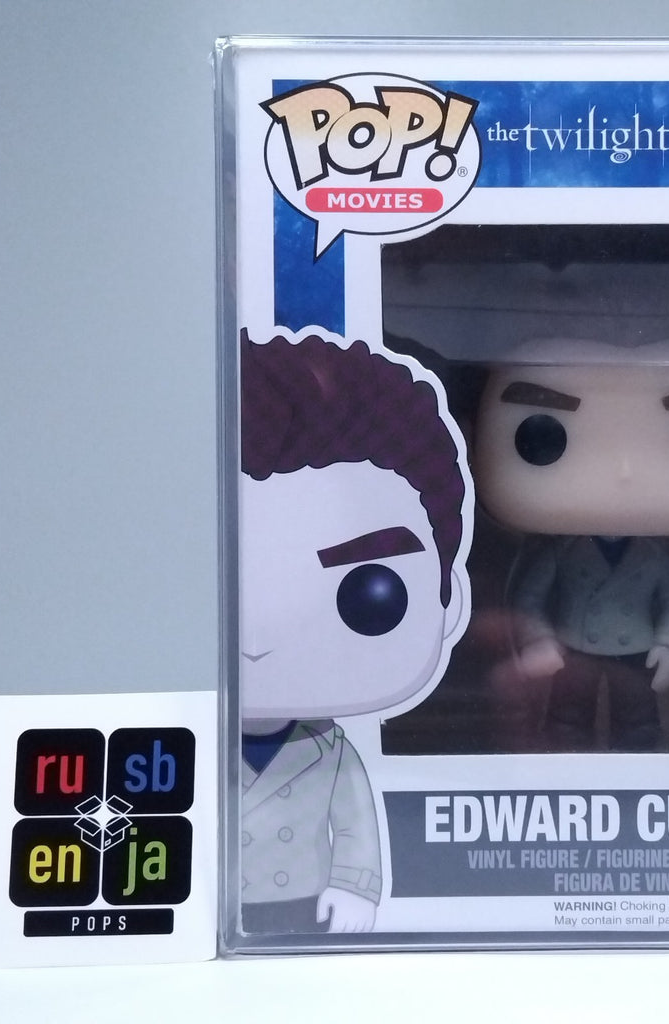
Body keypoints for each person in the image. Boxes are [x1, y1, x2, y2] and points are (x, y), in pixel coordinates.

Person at [238, 329, 468, 932]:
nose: (257, 642)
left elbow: (356, 824)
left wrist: (355, 887)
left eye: (368, 597)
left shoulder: (331, 752)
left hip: (306, 900)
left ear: (450, 600)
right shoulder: (175, 749)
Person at [472, 338, 669, 751]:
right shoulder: (562, 553)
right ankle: (566, 760)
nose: (624, 471)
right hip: (573, 649)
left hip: (637, 651)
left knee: (638, 718)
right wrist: (537, 639)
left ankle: (638, 761)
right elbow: (530, 598)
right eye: (542, 435)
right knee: (567, 717)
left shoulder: (654, 557)